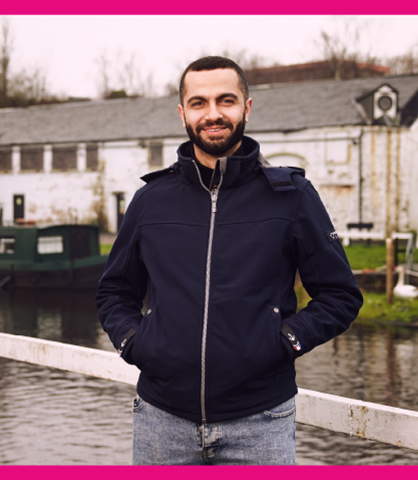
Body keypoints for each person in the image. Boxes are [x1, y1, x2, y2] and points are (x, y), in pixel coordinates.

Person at [95, 56, 363, 465]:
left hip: (261, 420)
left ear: (247, 108)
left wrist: (284, 340)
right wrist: (135, 343)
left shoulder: (291, 196)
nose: (214, 114)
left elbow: (340, 296)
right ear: (183, 113)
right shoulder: (150, 201)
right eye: (199, 103)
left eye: (226, 100)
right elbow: (115, 291)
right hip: (161, 419)